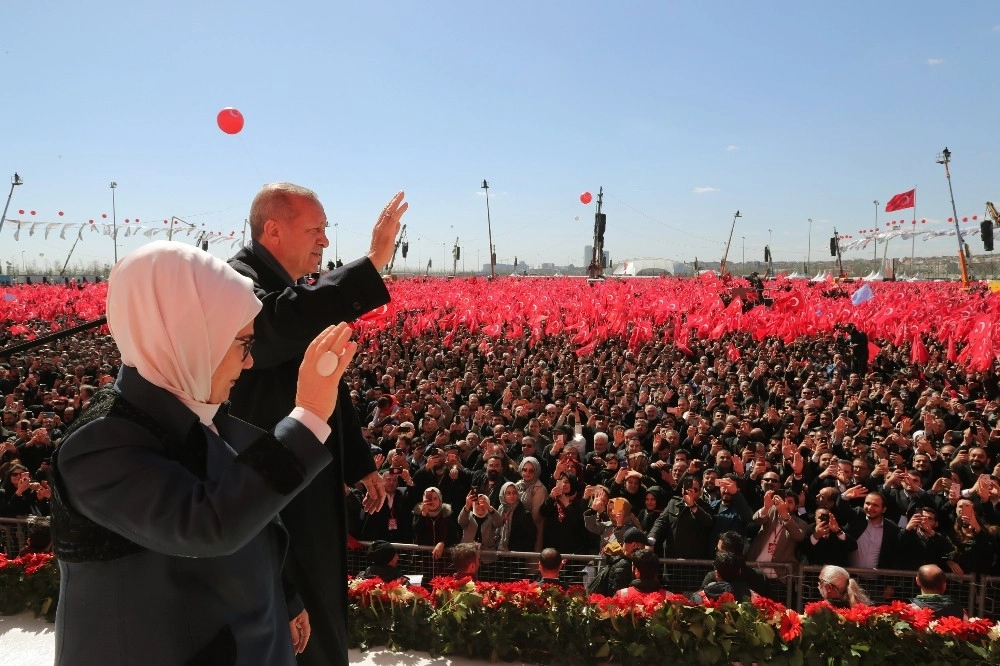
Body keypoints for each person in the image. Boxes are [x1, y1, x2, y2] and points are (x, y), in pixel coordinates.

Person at [51, 242, 356, 666]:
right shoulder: (99, 442)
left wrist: (283, 596)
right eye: (243, 345)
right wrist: (307, 417)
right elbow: (206, 525)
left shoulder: (198, 413)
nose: (248, 364)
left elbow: (255, 524)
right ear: (194, 339)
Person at [226, 183, 406, 666]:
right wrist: (370, 264)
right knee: (297, 622)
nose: (325, 242)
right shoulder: (236, 282)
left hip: (310, 480)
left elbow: (328, 384)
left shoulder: (289, 287)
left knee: (322, 614)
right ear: (274, 230)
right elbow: (277, 327)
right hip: (274, 490)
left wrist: (359, 464)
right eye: (316, 230)